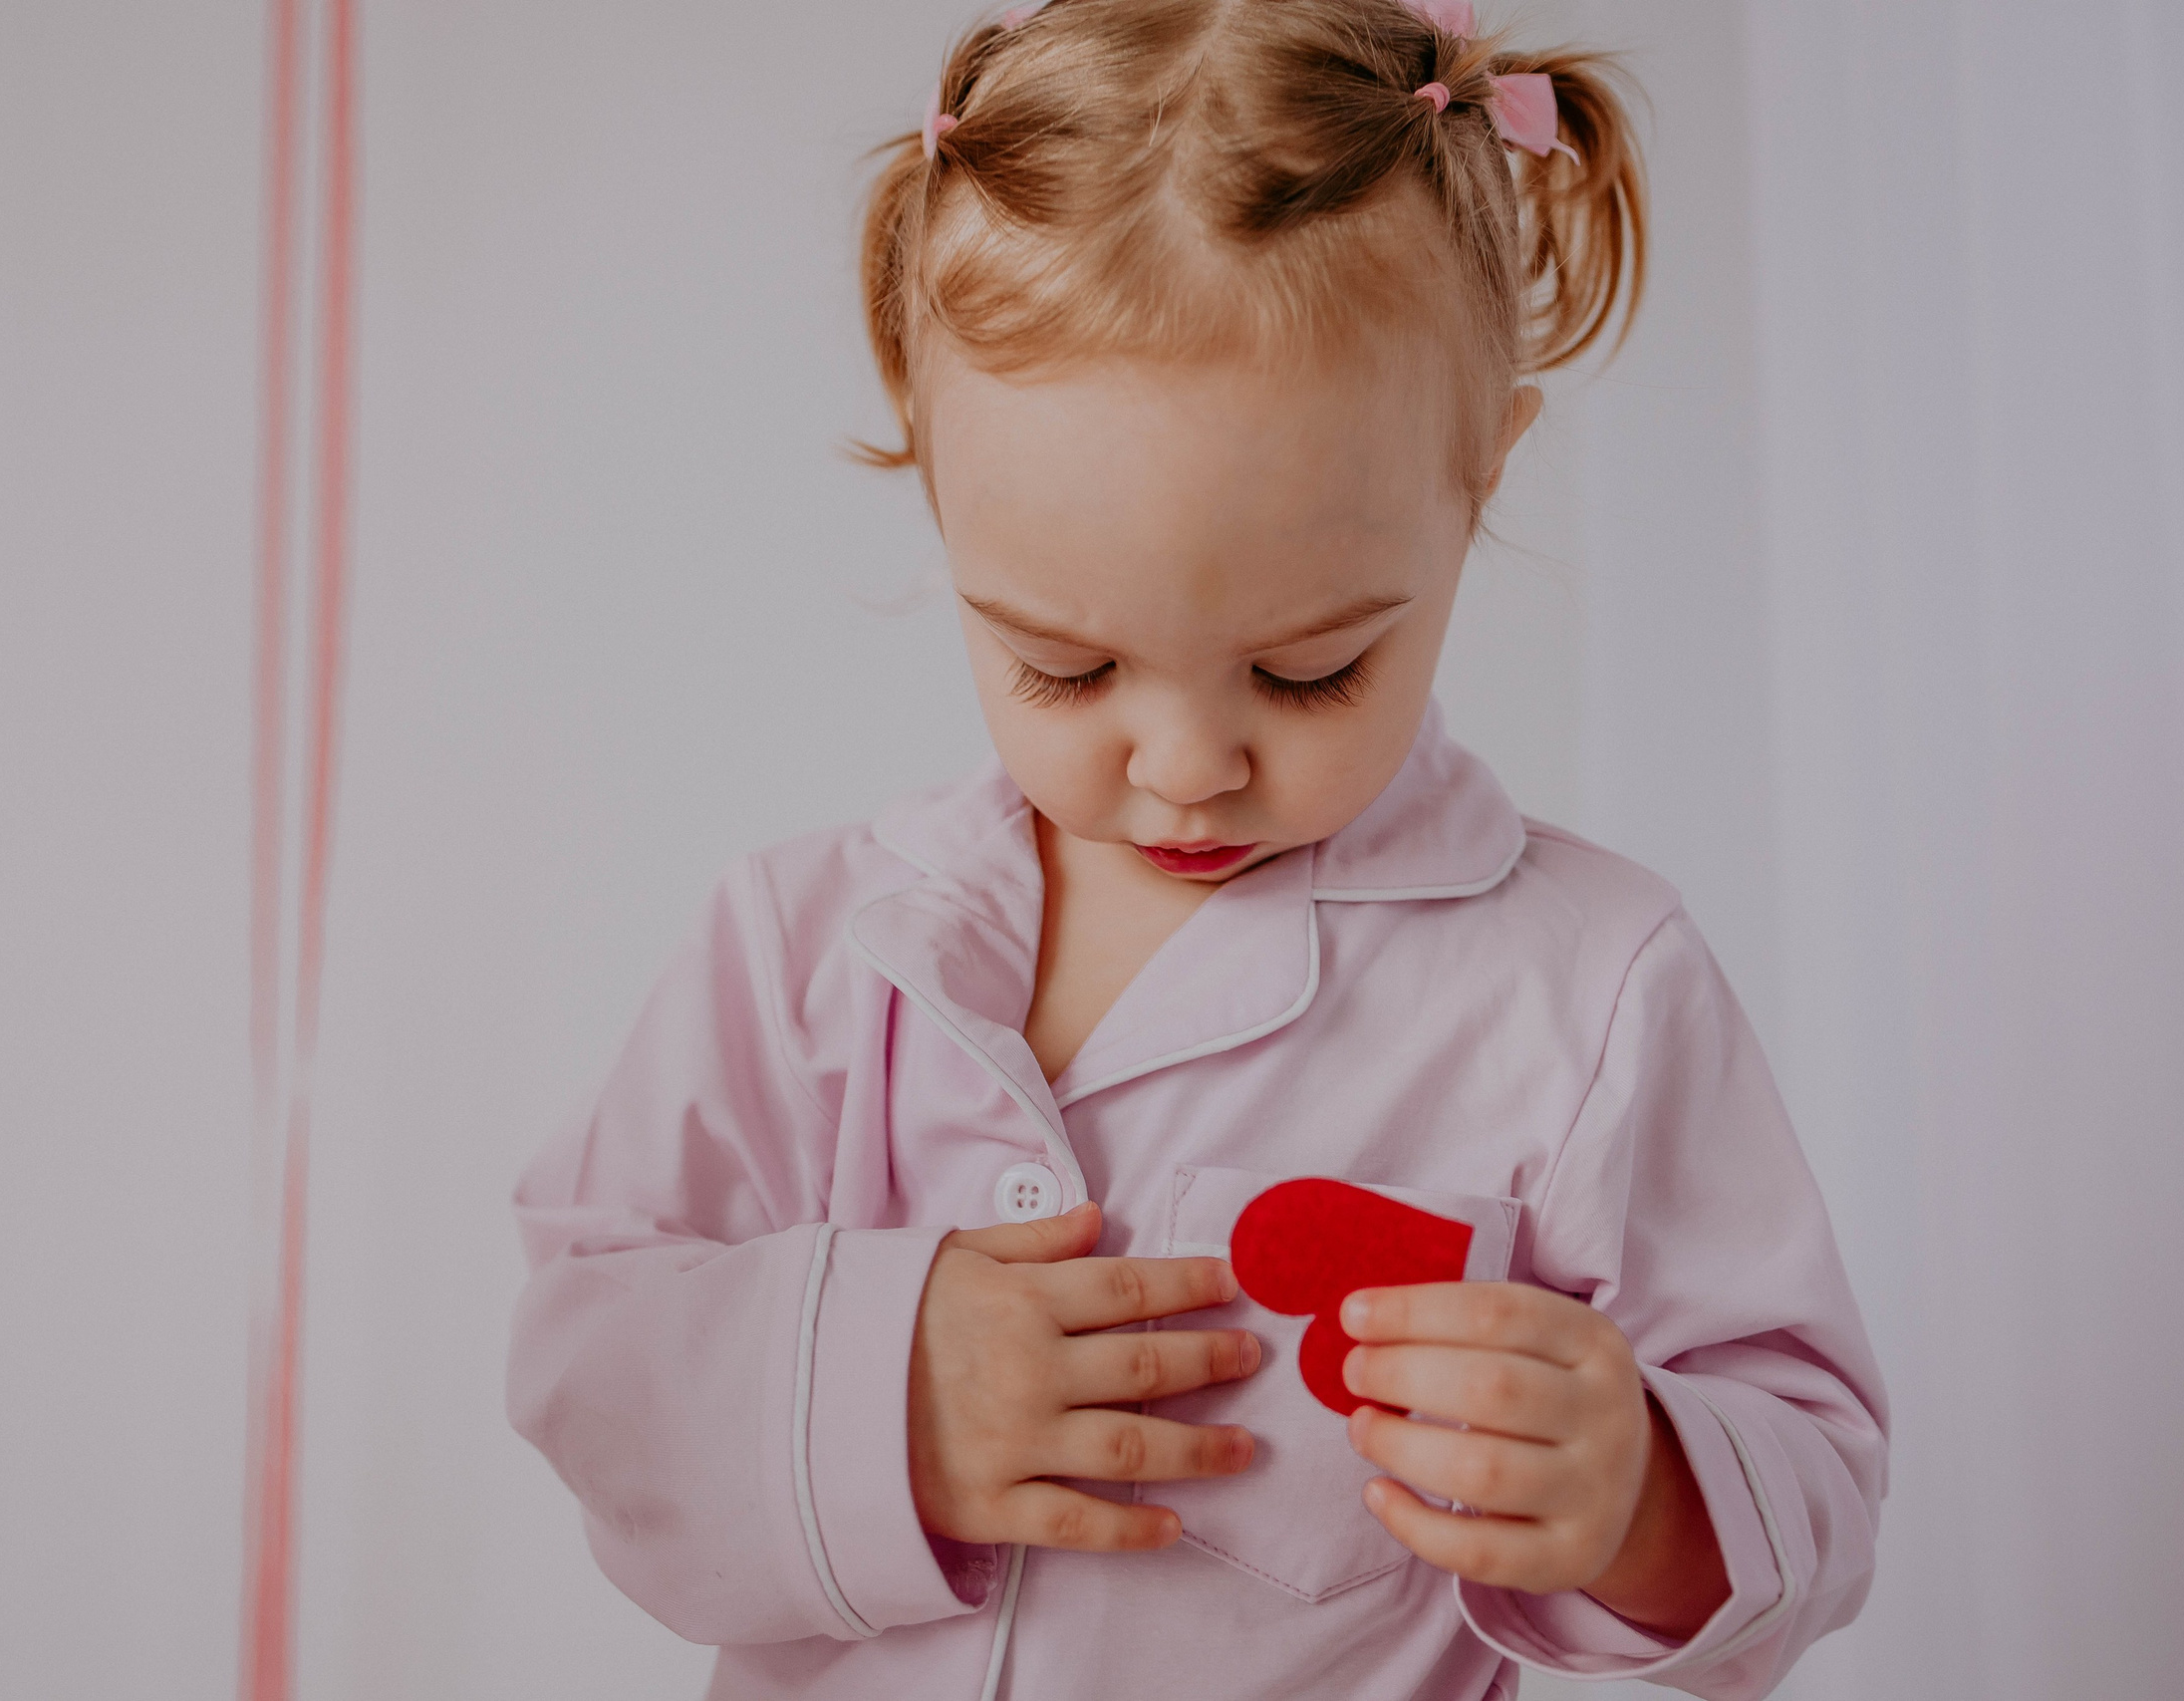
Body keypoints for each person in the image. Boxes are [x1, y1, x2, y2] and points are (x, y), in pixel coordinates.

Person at [507, 3, 1886, 1697]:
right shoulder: (808, 945)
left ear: (1480, 475)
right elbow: (590, 1353)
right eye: (1065, 667)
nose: (1185, 768)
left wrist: (1642, 1492)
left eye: (1311, 669)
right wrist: (874, 1388)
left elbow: (1810, 1457)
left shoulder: (1588, 984)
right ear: (937, 485)